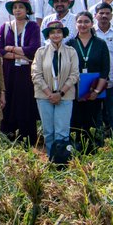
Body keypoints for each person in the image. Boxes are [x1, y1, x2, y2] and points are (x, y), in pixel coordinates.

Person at [33, 21, 80, 157]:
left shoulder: (71, 52)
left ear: (63, 34)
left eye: (59, 32)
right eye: (52, 32)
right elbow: (36, 75)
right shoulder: (41, 52)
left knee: (62, 131)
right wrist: (50, 94)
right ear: (48, 35)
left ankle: (62, 161)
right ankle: (51, 159)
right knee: (48, 131)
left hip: (65, 96)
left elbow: (74, 74)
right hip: (44, 96)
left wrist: (60, 93)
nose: (56, 35)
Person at [0, 0, 41, 145]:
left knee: (26, 102)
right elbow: (0, 49)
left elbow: (34, 49)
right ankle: (8, 136)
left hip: (27, 71)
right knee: (9, 102)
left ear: (27, 10)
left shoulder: (33, 26)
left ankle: (27, 139)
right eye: (15, 7)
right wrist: (18, 53)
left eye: (21, 7)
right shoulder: (6, 27)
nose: (17, 10)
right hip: (9, 71)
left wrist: (11, 49)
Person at [67, 12, 111, 150]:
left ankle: (92, 151)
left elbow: (105, 70)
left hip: (94, 92)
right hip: (74, 90)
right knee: (75, 120)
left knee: (92, 121)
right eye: (79, 22)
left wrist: (97, 91)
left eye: (86, 21)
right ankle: (76, 150)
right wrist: (75, 91)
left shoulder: (100, 44)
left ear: (92, 23)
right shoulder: (70, 43)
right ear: (75, 24)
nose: (83, 25)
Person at [93, 3, 113, 140]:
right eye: (101, 13)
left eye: (107, 13)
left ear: (112, 15)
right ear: (96, 15)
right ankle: (98, 144)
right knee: (96, 115)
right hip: (95, 81)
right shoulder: (90, 31)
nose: (104, 16)